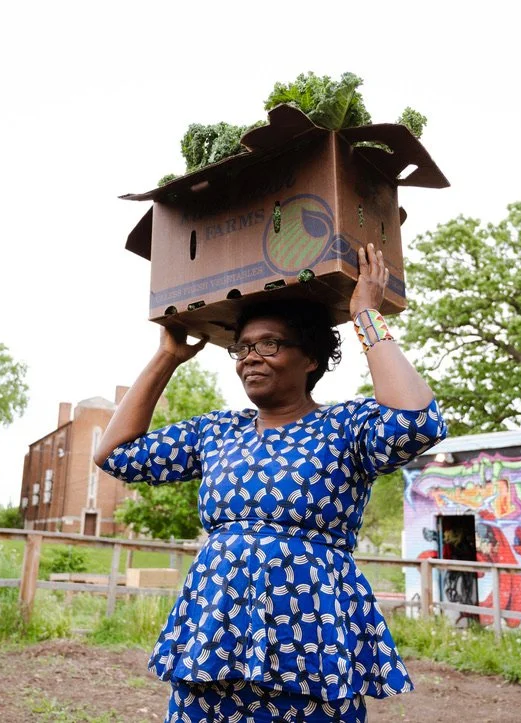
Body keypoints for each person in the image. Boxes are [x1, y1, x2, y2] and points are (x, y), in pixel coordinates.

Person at [94, 244, 447, 723]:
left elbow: (418, 422)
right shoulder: (218, 431)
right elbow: (115, 456)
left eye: (269, 344)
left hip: (310, 635)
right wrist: (167, 358)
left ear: (311, 359)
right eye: (242, 348)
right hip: (214, 630)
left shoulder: (346, 427)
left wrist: (364, 314)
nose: (249, 358)